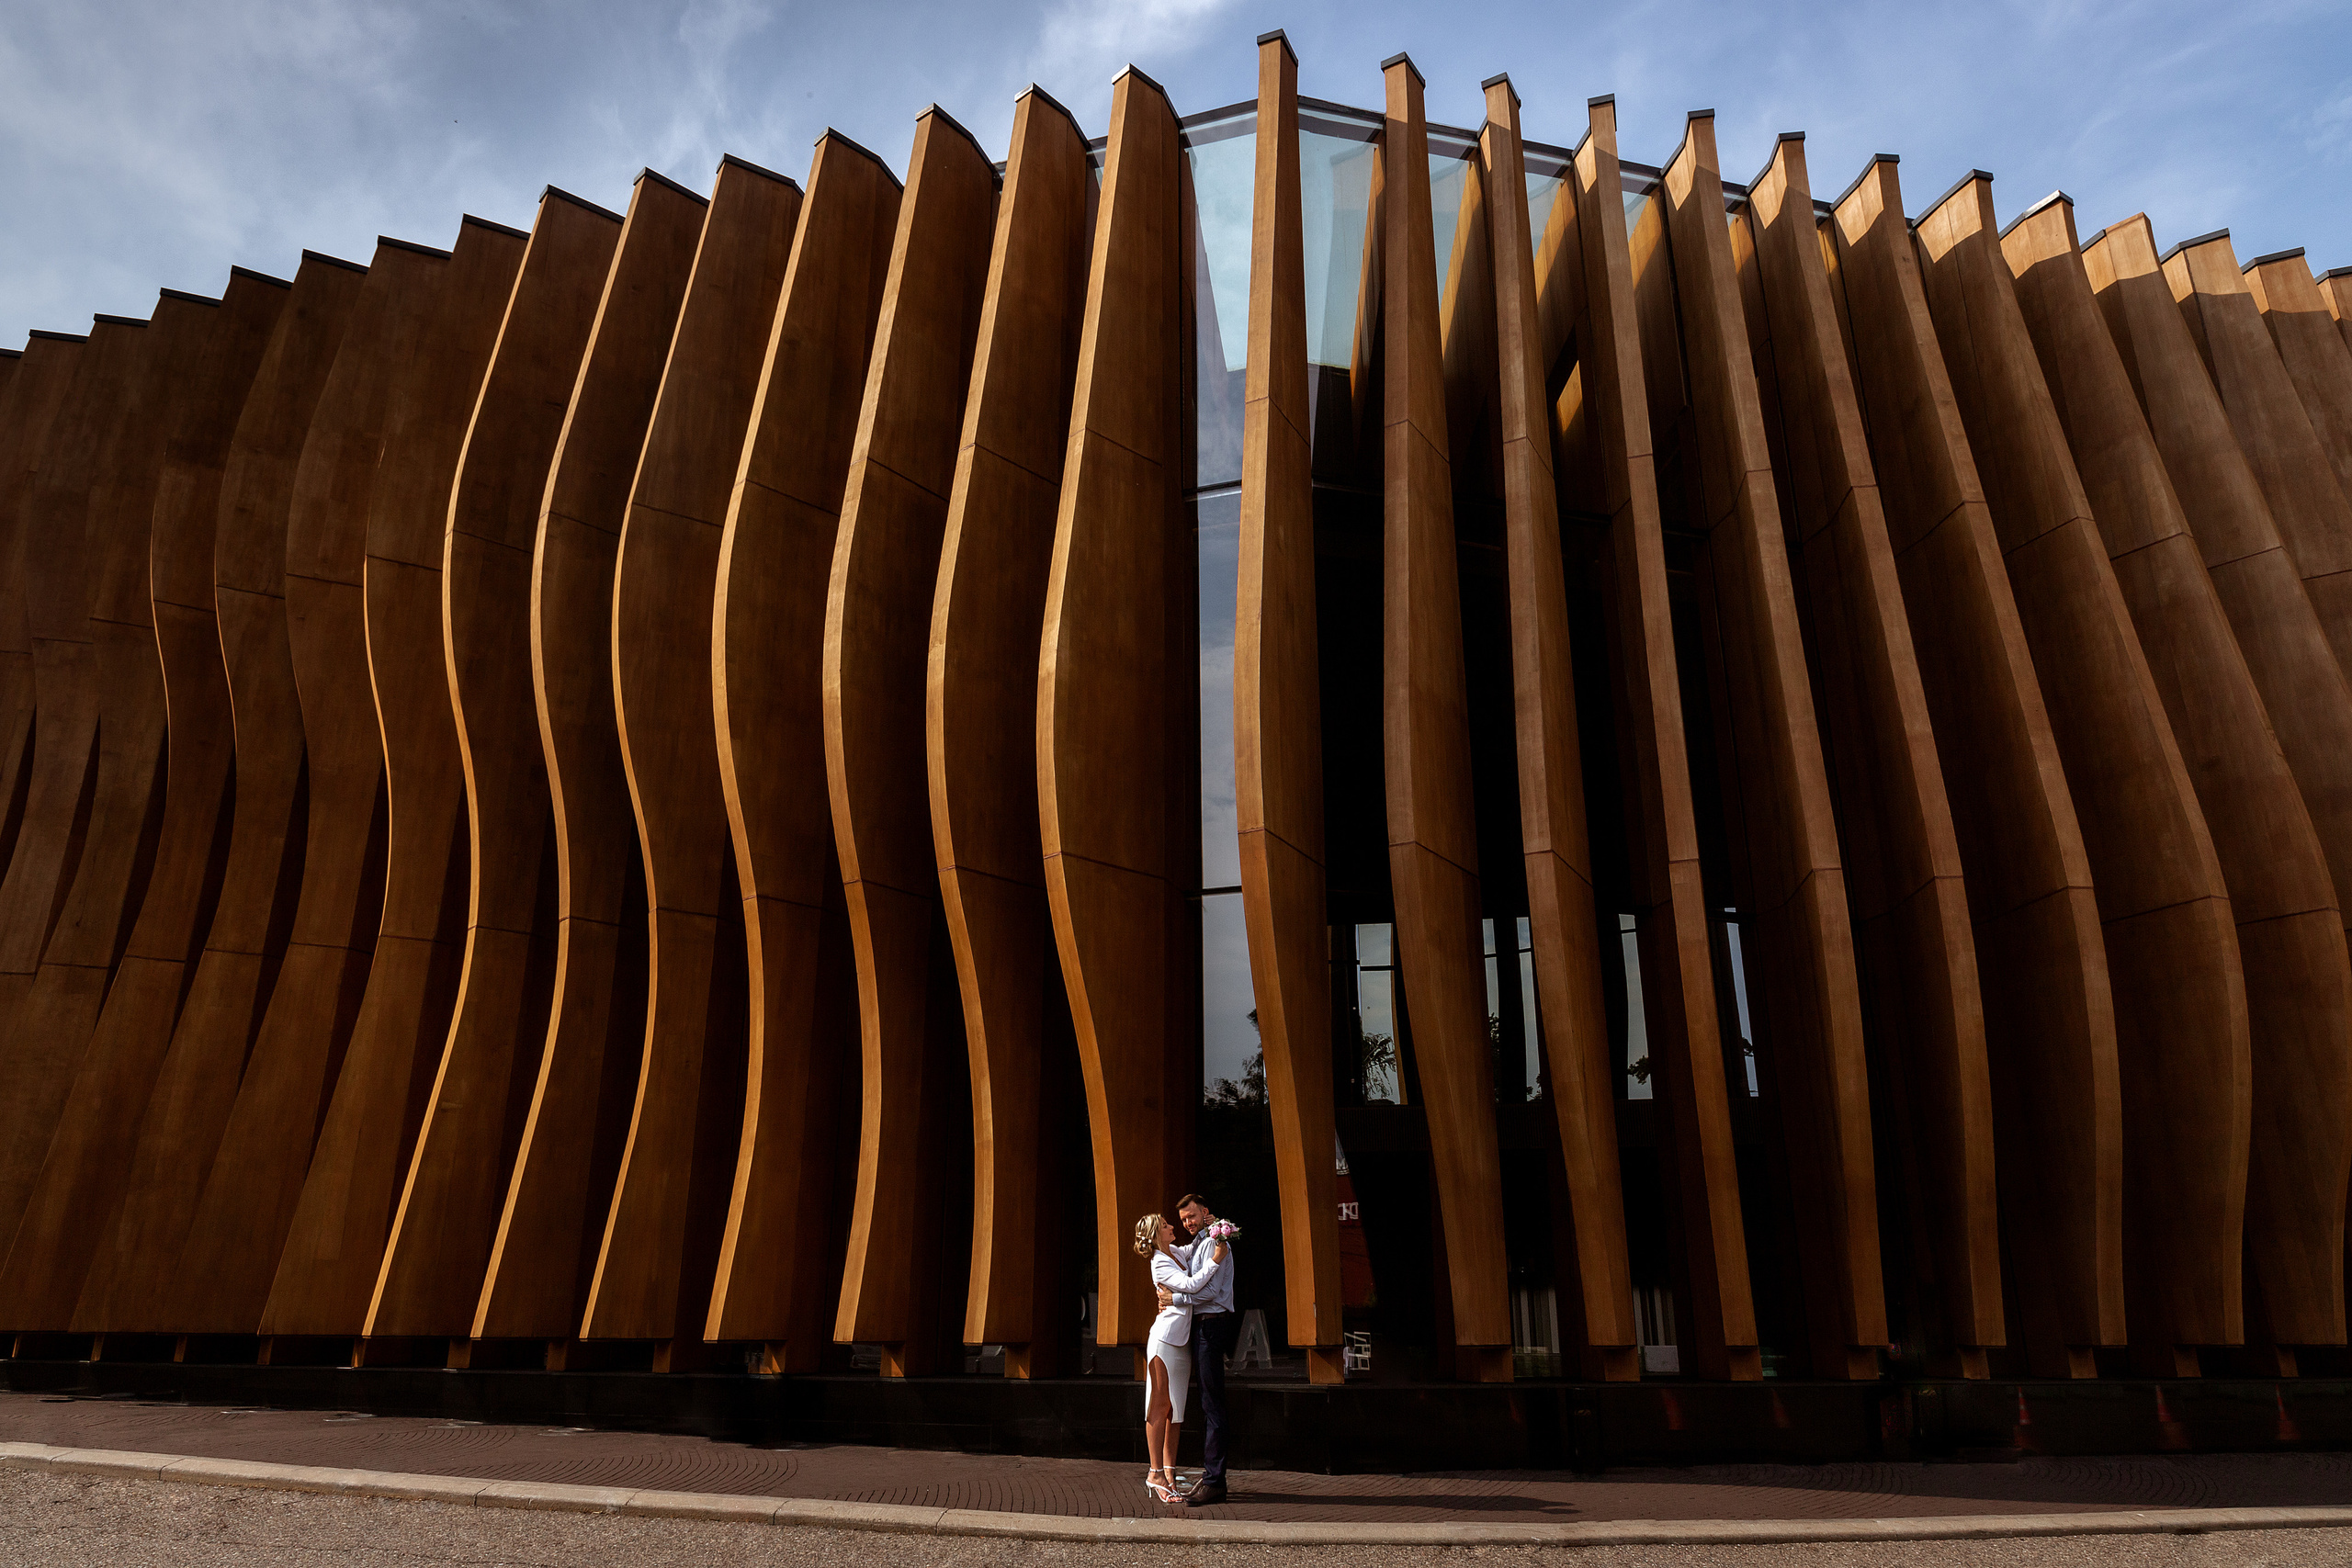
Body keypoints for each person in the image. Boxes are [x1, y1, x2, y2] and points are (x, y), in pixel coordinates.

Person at [1131, 1212, 1227, 1505]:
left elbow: (1196, 1246)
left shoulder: (1173, 1251)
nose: (1172, 1226)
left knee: (1177, 1410)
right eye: (1165, 1226)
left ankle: (1169, 1471)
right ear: (1155, 1235)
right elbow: (1192, 1285)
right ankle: (1155, 1473)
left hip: (1181, 1340)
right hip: (1164, 1341)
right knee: (1159, 1406)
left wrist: (1213, 1227)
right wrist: (1217, 1259)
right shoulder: (1159, 1262)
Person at [1159, 1193, 1237, 1507]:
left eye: (1191, 1216)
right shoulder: (1202, 1242)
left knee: (1213, 1405)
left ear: (1205, 1211)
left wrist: (1174, 1299)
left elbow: (1212, 1290)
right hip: (1203, 1326)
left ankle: (1216, 1482)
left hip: (1212, 1325)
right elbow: (1183, 1253)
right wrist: (1155, 1242)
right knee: (1208, 1403)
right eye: (1182, 1220)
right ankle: (1212, 1475)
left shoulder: (1217, 1244)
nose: (1187, 1223)